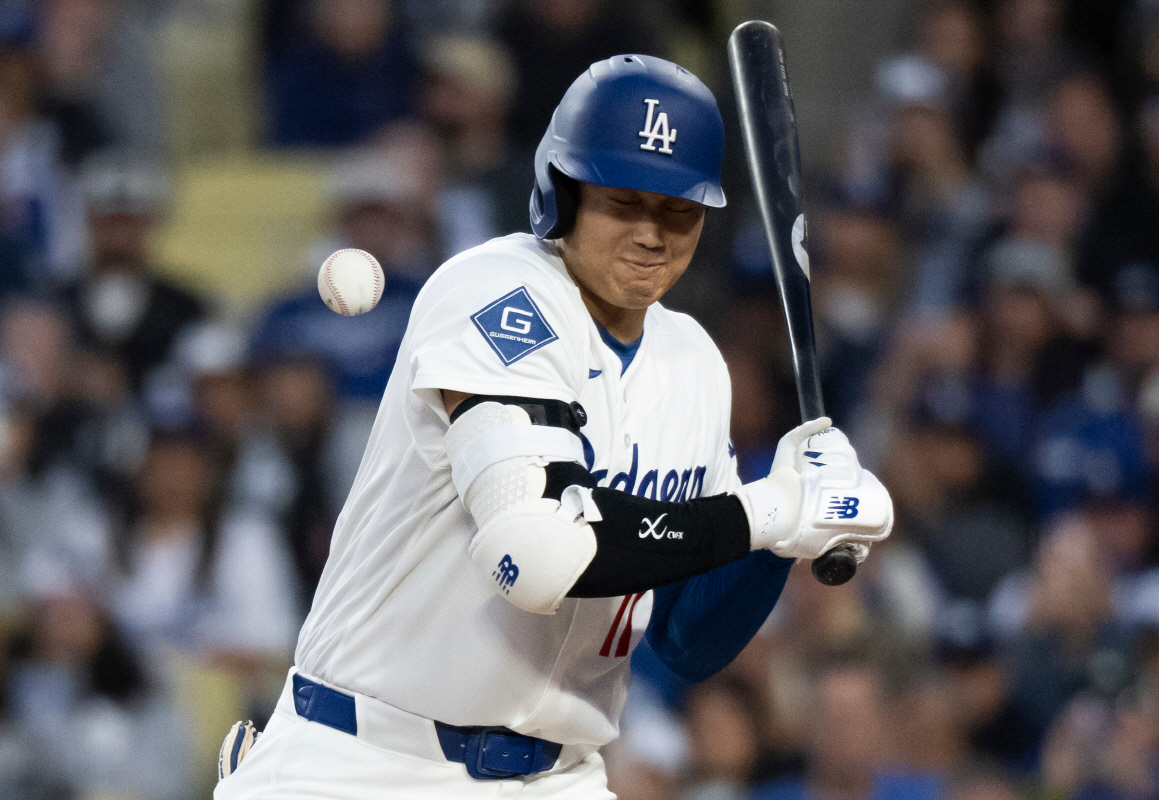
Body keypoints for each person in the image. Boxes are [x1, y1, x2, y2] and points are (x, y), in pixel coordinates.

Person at [214, 55, 894, 799]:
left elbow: (686, 640)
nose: (651, 233)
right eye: (623, 200)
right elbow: (533, 556)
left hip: (558, 775)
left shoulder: (694, 361)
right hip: (369, 761)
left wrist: (783, 537)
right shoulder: (500, 292)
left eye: (678, 209)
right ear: (560, 194)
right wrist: (764, 512)